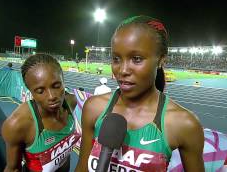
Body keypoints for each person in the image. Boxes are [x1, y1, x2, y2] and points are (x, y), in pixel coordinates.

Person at [76, 16, 205, 172]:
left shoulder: (184, 124)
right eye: (116, 59)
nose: (122, 70)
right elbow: (82, 167)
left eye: (136, 59)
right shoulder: (94, 108)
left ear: (161, 60)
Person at [2, 54, 81, 172]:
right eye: (40, 91)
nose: (52, 96)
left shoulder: (71, 102)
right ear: (30, 92)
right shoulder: (17, 125)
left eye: (56, 86)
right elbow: (13, 169)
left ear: (64, 81)